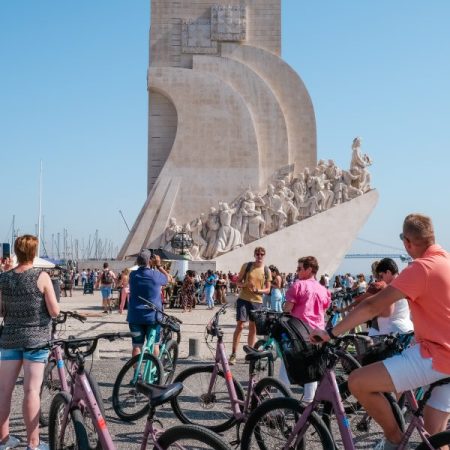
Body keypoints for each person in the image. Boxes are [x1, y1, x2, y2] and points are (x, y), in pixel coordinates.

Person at [312, 214, 450, 450]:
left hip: (436, 356)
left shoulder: (421, 268)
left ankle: (395, 441)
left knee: (358, 381)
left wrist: (330, 333)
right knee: (435, 436)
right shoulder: (446, 261)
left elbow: (372, 306)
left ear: (407, 241)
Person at [0, 235, 60, 450]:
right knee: (31, 391)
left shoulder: (4, 278)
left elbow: (0, 310)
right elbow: (54, 311)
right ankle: (33, 444)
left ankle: (4, 439)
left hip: (9, 339)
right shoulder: (41, 276)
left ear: (16, 252)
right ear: (33, 253)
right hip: (36, 340)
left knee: (4, 391)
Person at [282, 256, 331, 402]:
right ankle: (308, 403)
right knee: (312, 368)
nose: (297, 271)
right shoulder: (323, 289)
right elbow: (324, 309)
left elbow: (287, 309)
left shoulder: (298, 285)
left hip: (299, 332)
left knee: (286, 365)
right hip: (318, 333)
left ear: (309, 269)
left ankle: (278, 405)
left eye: (299, 268)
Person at [229, 246, 272, 365]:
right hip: (243, 299)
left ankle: (250, 352)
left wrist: (257, 290)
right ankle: (233, 354)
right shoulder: (247, 266)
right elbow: (237, 282)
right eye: (257, 254)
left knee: (253, 328)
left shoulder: (266, 270)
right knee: (240, 325)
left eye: (262, 254)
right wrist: (245, 284)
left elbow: (268, 290)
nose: (259, 256)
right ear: (254, 255)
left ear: (264, 256)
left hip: (257, 301)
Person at [127, 249, 170, 359]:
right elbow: (168, 278)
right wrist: (159, 265)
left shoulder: (133, 275)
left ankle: (138, 373)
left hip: (135, 315)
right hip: (152, 316)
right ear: (150, 261)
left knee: (137, 346)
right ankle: (154, 370)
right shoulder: (155, 275)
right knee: (154, 345)